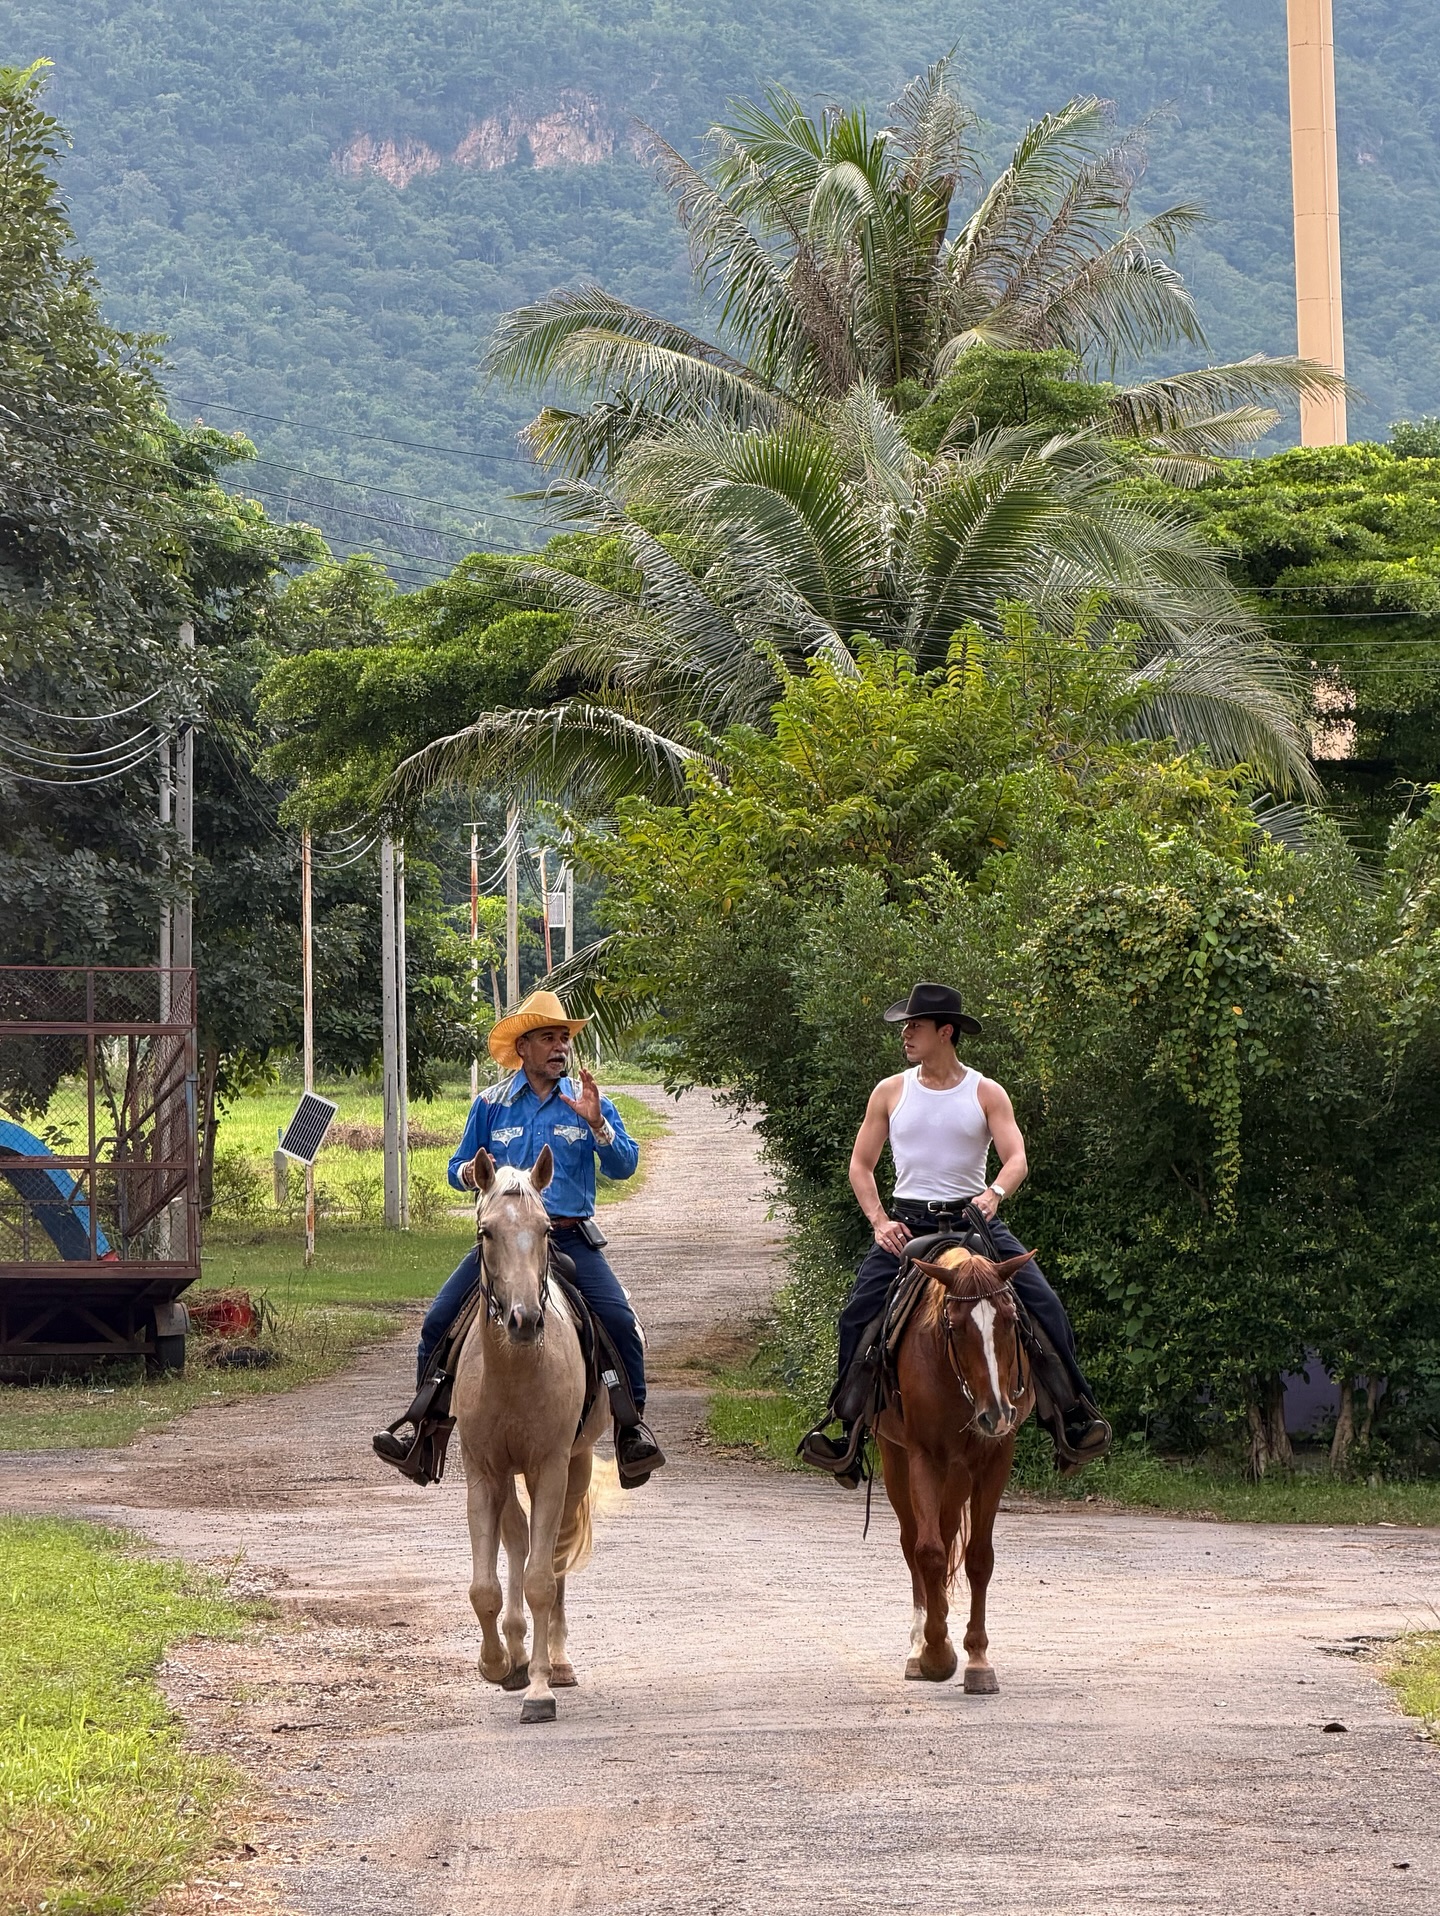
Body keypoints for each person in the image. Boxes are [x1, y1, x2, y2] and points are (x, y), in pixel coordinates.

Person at [801, 981, 1110, 1483]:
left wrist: (993, 1195)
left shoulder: (986, 1092)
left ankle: (1073, 1418)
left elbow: (1016, 1159)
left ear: (945, 1032)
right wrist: (880, 1222)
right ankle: (846, 1431)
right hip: (909, 1225)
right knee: (857, 1314)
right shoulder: (890, 1091)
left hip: (975, 1223)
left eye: (915, 1026)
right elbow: (861, 1165)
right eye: (905, 1026)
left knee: (1045, 1304)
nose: (906, 1034)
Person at [372, 989, 665, 1487]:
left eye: (564, 1039)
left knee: (618, 1320)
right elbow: (455, 1167)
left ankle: (631, 1429)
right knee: (438, 1321)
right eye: (548, 1038)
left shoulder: (589, 1101)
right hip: (503, 1245)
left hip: (566, 1239)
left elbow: (625, 1166)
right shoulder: (490, 1106)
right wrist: (469, 1173)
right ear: (523, 1047)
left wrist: (598, 1126)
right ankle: (423, 1430)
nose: (560, 1048)